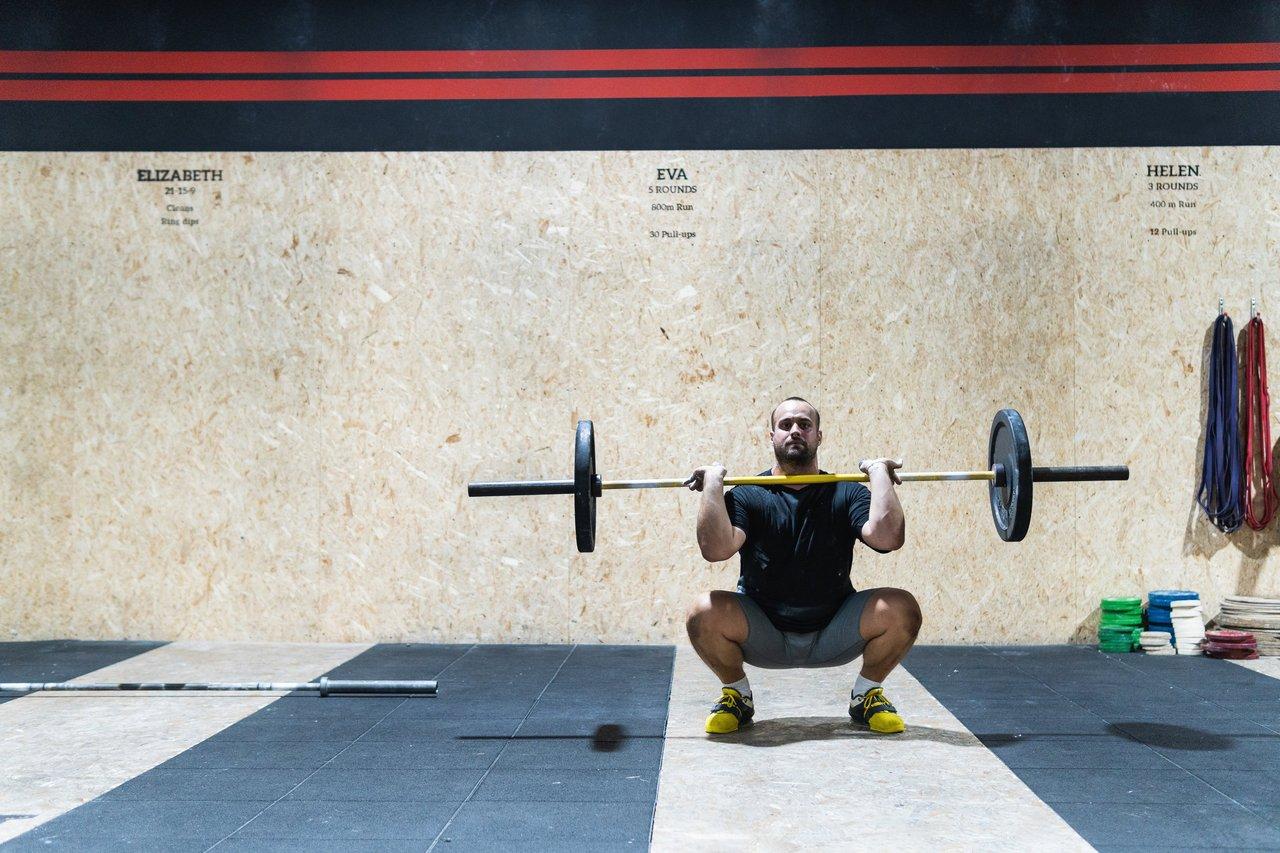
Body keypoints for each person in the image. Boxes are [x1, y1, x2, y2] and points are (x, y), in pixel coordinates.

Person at [684, 397, 922, 735]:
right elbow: (715, 549)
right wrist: (712, 484)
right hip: (763, 630)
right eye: (786, 425)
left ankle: (866, 694)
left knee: (901, 608)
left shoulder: (845, 491)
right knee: (703, 611)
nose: (795, 430)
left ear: (818, 436)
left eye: (804, 425)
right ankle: (737, 695)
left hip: (833, 629)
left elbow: (888, 538)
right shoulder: (748, 494)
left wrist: (879, 473)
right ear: (772, 436)